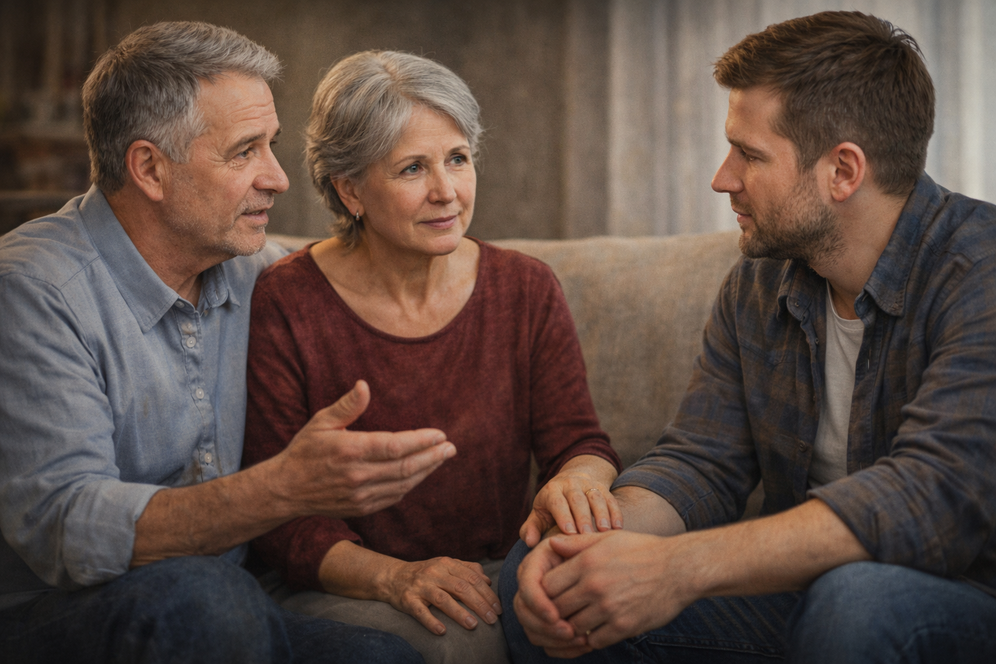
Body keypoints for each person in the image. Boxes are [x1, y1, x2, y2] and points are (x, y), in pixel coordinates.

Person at [499, 10, 996, 664]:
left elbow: (930, 498)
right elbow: (703, 460)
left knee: (856, 603)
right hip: (808, 591)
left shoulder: (978, 271)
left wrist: (675, 568)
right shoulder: (762, 284)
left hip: (964, 596)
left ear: (843, 171)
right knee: (545, 573)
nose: (722, 177)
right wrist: (600, 530)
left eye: (749, 154)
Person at [0, 22, 456, 664]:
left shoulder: (261, 270)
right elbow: (65, 526)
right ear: (150, 168)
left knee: (385, 658)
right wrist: (282, 490)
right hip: (59, 615)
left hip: (231, 602)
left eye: (271, 146)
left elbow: (374, 267)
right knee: (206, 601)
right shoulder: (32, 289)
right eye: (245, 152)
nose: (278, 178)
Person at [241, 50, 623, 664]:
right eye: (413, 168)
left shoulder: (525, 287)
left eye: (458, 159)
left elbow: (579, 442)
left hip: (496, 566)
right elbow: (282, 522)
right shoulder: (286, 300)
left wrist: (580, 479)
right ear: (350, 190)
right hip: (349, 581)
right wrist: (395, 578)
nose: (447, 192)